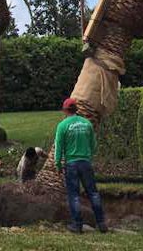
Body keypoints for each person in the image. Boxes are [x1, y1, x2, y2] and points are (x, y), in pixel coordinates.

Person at [54, 98, 107, 234]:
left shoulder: (62, 126)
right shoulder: (87, 124)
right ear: (76, 109)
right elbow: (93, 145)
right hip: (85, 163)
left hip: (71, 164)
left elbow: (59, 148)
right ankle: (101, 223)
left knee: (74, 195)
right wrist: (88, 156)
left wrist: (58, 165)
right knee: (93, 193)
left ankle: (77, 225)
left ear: (65, 110)